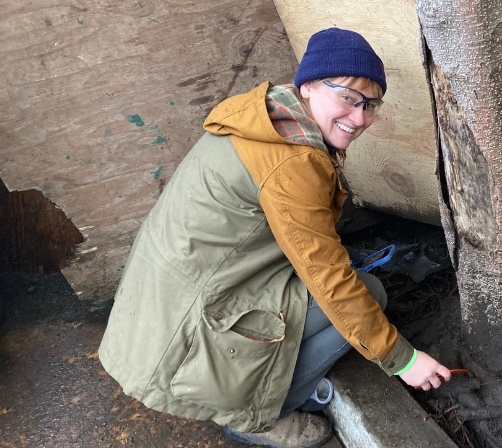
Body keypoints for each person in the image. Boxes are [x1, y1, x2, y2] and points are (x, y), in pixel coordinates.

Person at [98, 27, 451, 448]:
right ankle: (262, 416)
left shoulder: (267, 118)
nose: (359, 118)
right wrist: (403, 360)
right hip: (190, 325)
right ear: (308, 87)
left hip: (166, 300)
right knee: (368, 293)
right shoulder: (292, 161)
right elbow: (329, 279)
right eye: (347, 98)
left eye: (370, 105)